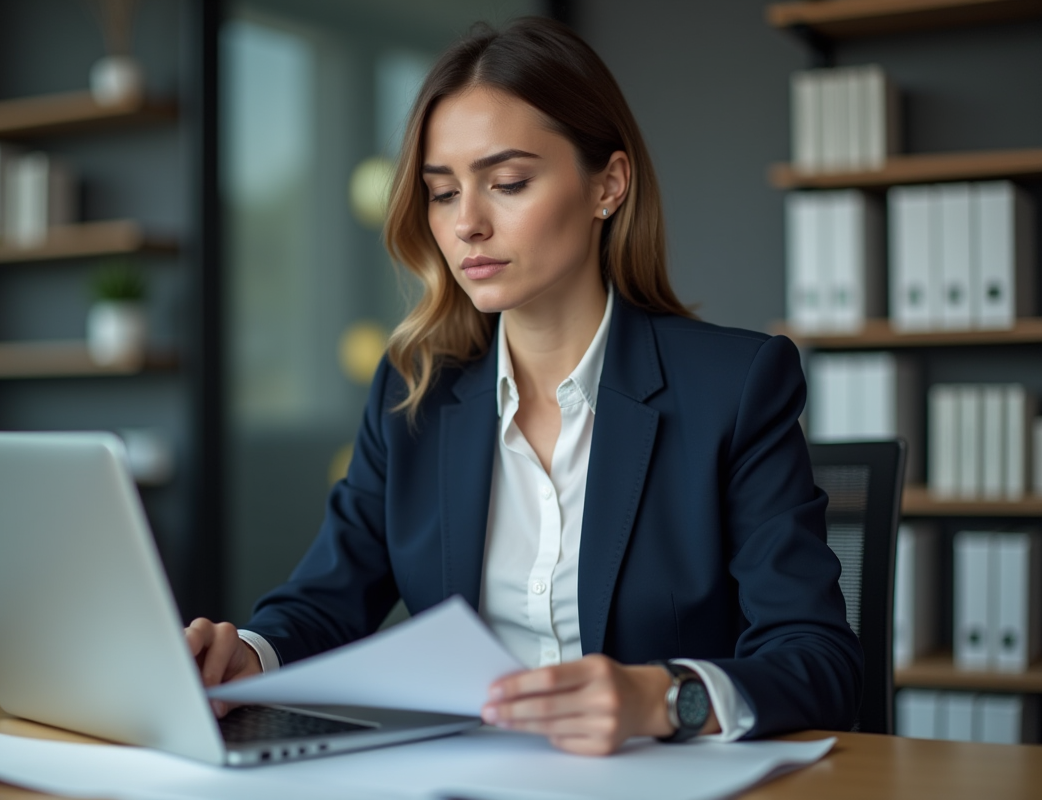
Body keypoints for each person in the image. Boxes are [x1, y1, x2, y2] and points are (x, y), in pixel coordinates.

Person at [187, 17, 862, 756]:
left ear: (608, 183)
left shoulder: (735, 387)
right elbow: (324, 601)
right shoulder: (414, 390)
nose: (468, 223)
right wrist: (246, 653)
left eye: (507, 182)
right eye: (443, 194)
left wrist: (665, 697)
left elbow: (819, 661)